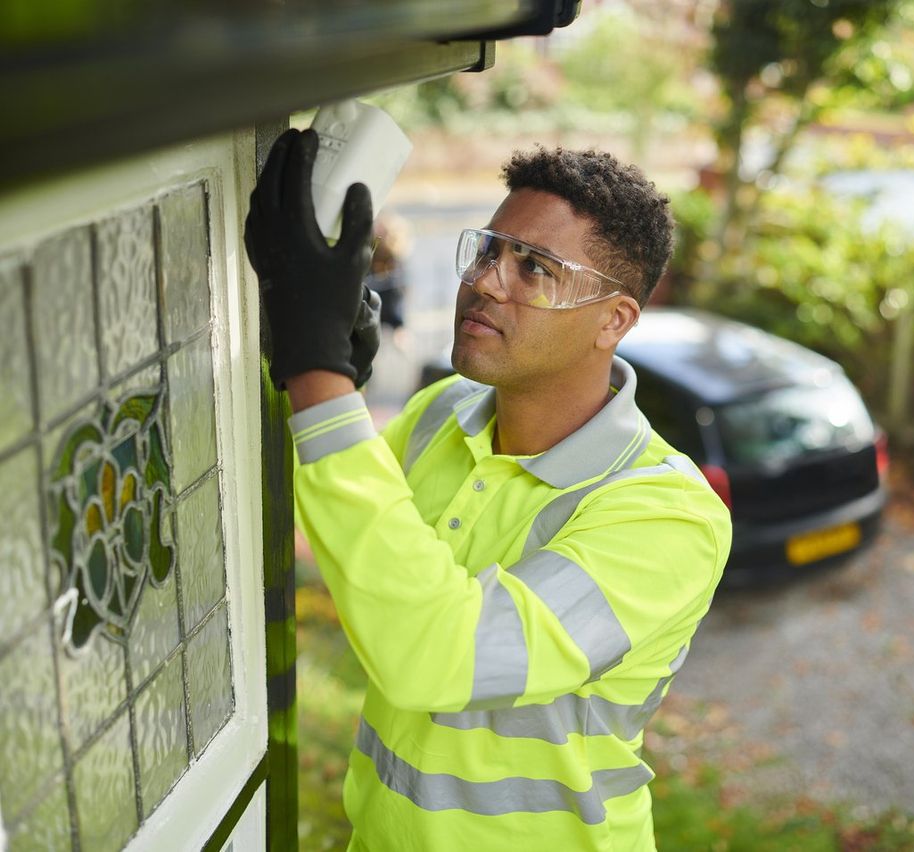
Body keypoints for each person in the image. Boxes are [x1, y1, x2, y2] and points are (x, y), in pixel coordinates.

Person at [245, 128, 732, 852]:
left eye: (534, 267)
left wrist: (316, 368)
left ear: (614, 320)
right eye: (488, 250)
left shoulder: (668, 516)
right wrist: (326, 381)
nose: (486, 281)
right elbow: (347, 532)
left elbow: (434, 654)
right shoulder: (441, 413)